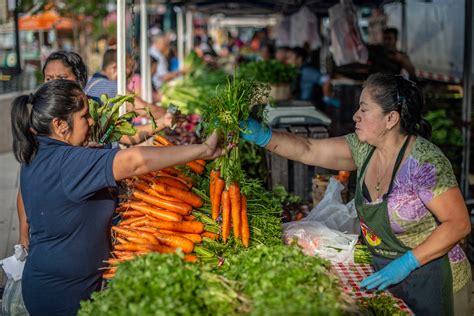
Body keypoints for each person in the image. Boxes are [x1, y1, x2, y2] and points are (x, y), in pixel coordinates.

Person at [239, 73, 471, 315]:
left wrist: (407, 263)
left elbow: (459, 224)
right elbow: (309, 149)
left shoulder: (425, 162)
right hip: (388, 276)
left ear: (391, 118)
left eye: (364, 109)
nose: (355, 116)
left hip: (434, 278)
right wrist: (263, 136)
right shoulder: (364, 149)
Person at [11, 79, 223, 315]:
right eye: (84, 116)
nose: (91, 121)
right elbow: (134, 161)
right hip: (63, 296)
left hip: (56, 283)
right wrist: (203, 150)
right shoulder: (67, 162)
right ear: (60, 125)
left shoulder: (40, 151)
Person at [85, 49, 166, 119]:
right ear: (114, 68)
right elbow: (145, 110)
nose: (130, 76)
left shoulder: (92, 81)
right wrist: (171, 114)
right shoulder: (112, 87)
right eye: (128, 70)